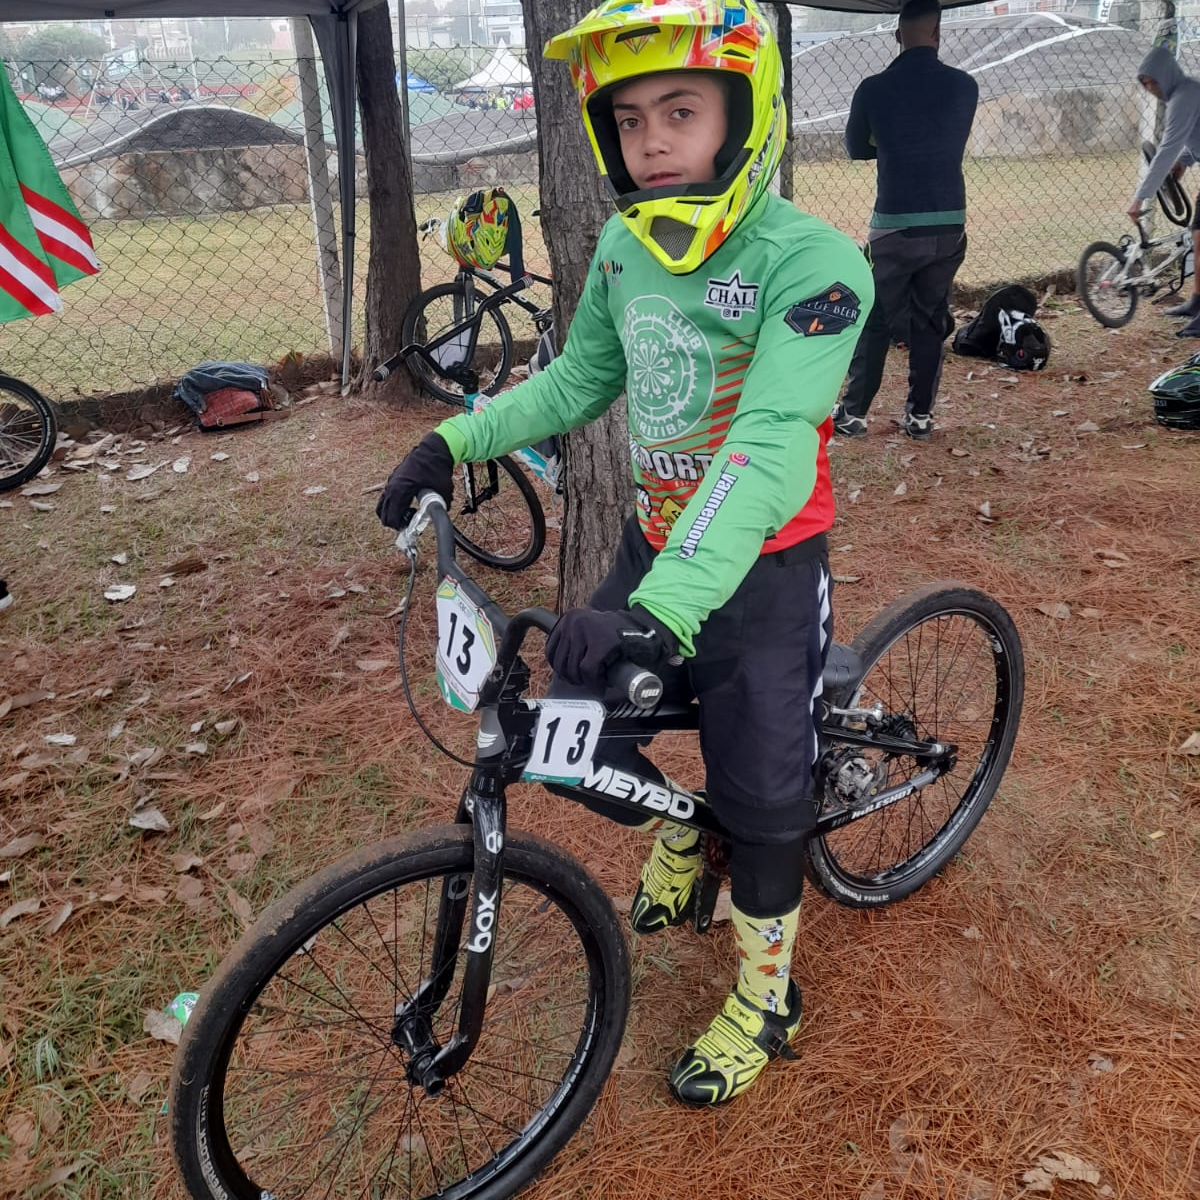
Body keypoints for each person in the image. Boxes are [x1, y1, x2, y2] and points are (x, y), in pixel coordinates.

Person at [377, 0, 872, 1107]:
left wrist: (668, 607)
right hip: (654, 546)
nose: (652, 141)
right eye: (631, 118)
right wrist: (453, 440)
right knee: (569, 728)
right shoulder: (622, 247)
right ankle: (679, 837)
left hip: (763, 575)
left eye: (681, 112)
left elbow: (769, 443)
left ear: (744, 117)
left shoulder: (816, 265)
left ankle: (768, 997)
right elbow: (575, 383)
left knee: (765, 807)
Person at [831, 0, 977, 442]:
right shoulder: (964, 86)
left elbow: (856, 148)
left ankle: (854, 413)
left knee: (875, 317)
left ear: (897, 36)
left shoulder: (874, 89)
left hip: (895, 222)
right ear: (938, 33)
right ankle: (920, 417)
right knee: (931, 319)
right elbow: (947, 138)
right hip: (948, 221)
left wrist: (888, 143)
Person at [1128, 40, 1200, 334]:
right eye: (1144, 84)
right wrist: (1185, 160)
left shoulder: (1184, 96)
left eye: (1152, 82)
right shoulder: (1185, 92)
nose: (1150, 89)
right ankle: (1196, 302)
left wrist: (1140, 198)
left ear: (1166, 75)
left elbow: (1167, 148)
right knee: (1199, 235)